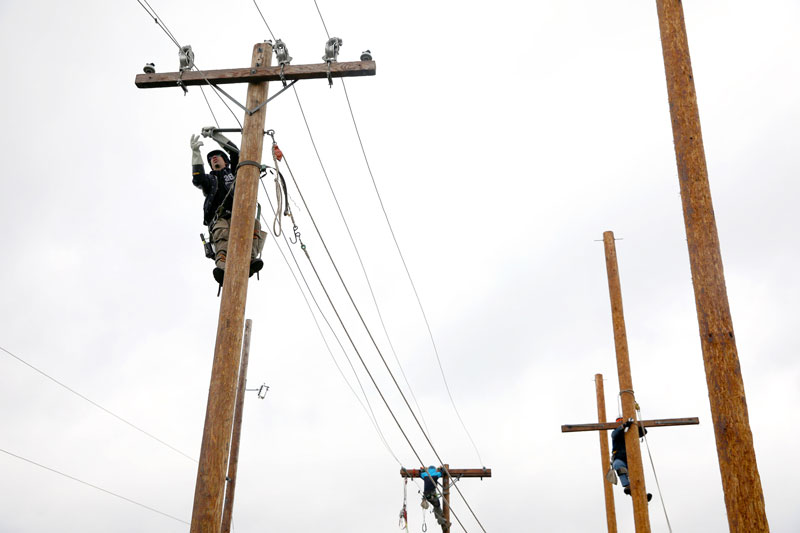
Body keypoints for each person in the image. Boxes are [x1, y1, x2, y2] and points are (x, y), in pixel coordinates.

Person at [190, 127, 266, 285]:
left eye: (218, 156)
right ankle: (222, 267)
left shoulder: (234, 172)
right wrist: (196, 153)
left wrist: (216, 136)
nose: (214, 159)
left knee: (254, 225)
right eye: (211, 159)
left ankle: (251, 259)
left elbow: (236, 153)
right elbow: (197, 179)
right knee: (222, 233)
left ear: (226, 161)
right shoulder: (210, 180)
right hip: (220, 217)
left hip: (240, 212)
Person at [611, 417, 652, 502]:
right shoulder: (616, 433)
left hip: (632, 458)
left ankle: (642, 495)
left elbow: (644, 432)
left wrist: (636, 425)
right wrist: (625, 425)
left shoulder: (631, 432)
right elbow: (616, 433)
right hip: (620, 457)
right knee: (618, 465)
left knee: (637, 478)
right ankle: (627, 486)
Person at [420, 465, 449, 530]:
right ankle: (442, 523)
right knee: (437, 506)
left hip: (427, 496)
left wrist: (422, 470)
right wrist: (441, 468)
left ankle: (440, 520)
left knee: (436, 506)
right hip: (432, 495)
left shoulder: (425, 474)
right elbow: (443, 472)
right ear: (435, 469)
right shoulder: (436, 474)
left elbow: (420, 474)